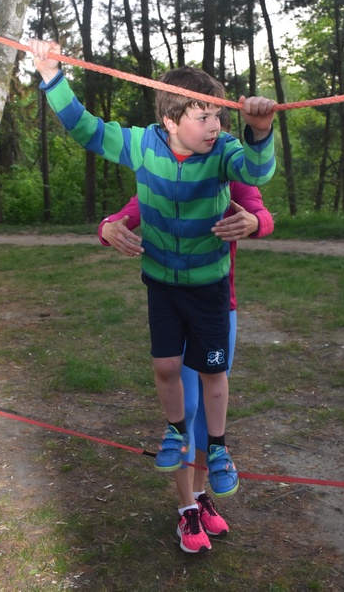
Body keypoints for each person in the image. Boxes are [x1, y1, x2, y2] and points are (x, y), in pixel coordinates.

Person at [29, 38, 276, 553]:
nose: (215, 125)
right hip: (165, 288)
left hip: (214, 295)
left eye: (219, 115)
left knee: (211, 393)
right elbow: (91, 135)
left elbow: (256, 183)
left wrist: (259, 132)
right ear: (170, 120)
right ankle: (186, 507)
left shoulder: (225, 152)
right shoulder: (146, 148)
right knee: (180, 396)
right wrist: (51, 76)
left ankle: (204, 494)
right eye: (204, 116)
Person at [98, 180, 274, 552]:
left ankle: (198, 493)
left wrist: (255, 222)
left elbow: (260, 212)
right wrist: (107, 227)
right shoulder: (164, 174)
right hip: (175, 307)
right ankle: (186, 508)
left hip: (217, 309)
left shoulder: (228, 172)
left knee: (207, 414)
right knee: (187, 407)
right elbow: (128, 213)